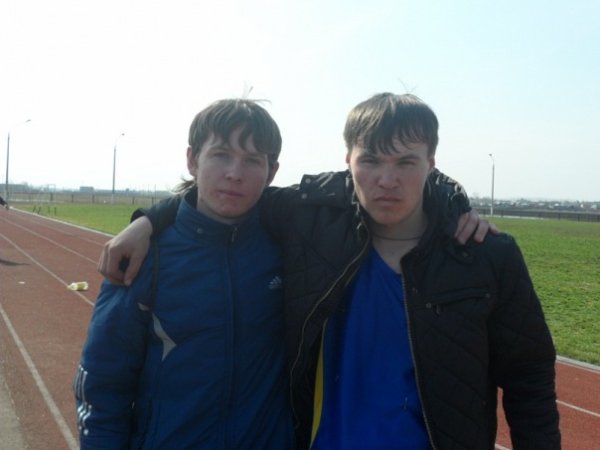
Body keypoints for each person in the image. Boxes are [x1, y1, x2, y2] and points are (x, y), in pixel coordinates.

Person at [99, 93, 560, 450]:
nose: (387, 180)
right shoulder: (311, 226)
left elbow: (530, 380)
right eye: (371, 160)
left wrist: (454, 200)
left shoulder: (486, 255)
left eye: (406, 162)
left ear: (431, 165)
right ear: (348, 162)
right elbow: (223, 194)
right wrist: (149, 221)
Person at [73, 99, 295, 449]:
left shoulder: (289, 247)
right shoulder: (145, 256)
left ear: (272, 171)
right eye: (221, 154)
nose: (234, 173)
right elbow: (103, 384)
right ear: (192, 160)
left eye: (253, 160)